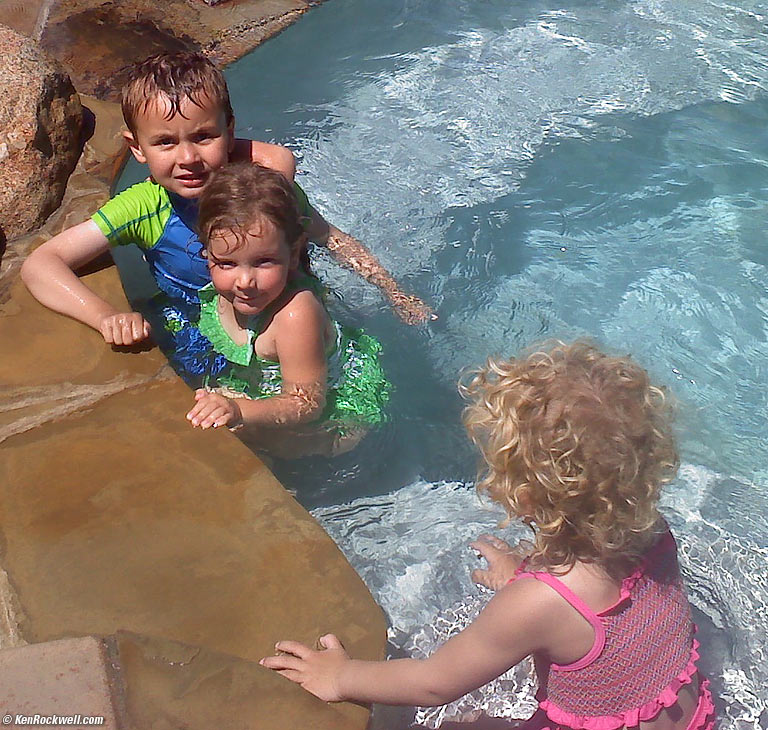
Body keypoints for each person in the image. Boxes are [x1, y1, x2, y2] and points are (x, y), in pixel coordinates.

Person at [260, 341, 716, 730]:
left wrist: (342, 677)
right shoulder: (653, 530)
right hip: (692, 716)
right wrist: (525, 574)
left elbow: (433, 683)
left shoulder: (539, 604)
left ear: (522, 492)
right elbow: (604, 607)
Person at [20, 52, 433, 362]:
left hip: (292, 315)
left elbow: (330, 239)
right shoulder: (143, 207)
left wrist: (395, 293)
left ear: (229, 133)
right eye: (165, 142)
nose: (187, 158)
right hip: (206, 332)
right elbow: (41, 264)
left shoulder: (262, 193)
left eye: (203, 137)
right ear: (136, 148)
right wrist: (105, 316)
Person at [184, 162, 390, 456]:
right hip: (268, 383)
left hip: (337, 413)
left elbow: (306, 404)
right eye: (226, 264)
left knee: (253, 444)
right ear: (207, 254)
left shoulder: (295, 314)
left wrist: (239, 409)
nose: (244, 282)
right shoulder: (223, 293)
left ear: (293, 255)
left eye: (263, 262)